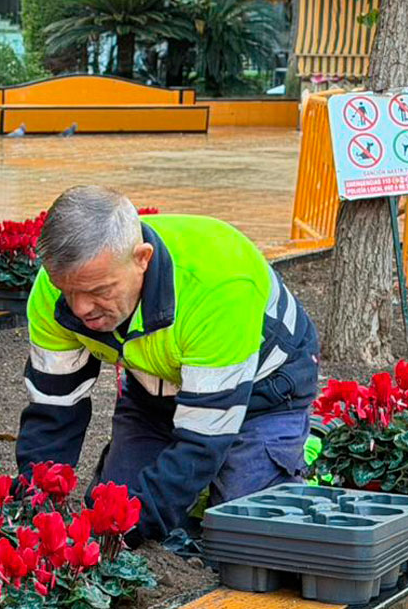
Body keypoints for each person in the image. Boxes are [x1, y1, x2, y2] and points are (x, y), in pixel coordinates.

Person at [16, 186, 320, 543]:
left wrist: (130, 533)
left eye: (100, 291)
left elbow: (202, 441)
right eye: (70, 292)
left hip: (264, 391)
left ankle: (296, 453)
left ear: (142, 258)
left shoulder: (216, 287)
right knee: (112, 508)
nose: (81, 308)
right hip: (155, 388)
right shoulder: (54, 292)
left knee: (248, 537)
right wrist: (35, 508)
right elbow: (54, 412)